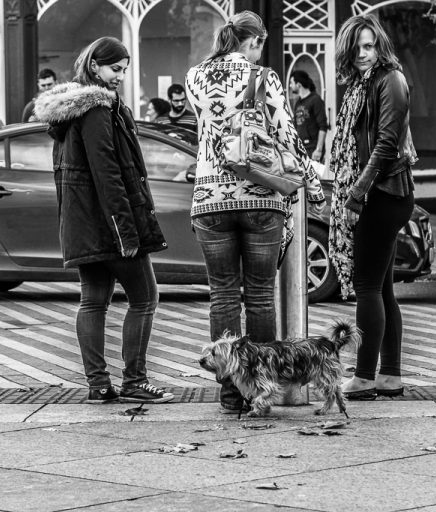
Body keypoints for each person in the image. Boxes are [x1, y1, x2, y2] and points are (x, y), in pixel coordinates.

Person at [185, 11, 326, 413]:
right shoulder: (264, 78)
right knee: (260, 296)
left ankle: (230, 394)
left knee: (223, 295)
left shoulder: (194, 77)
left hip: (210, 198)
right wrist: (313, 187)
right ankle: (260, 389)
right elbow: (288, 136)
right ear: (256, 41)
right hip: (261, 198)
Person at [33, 37, 173, 404]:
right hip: (109, 223)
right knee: (145, 298)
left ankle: (98, 385)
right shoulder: (97, 109)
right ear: (94, 66)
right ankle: (134, 381)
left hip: (83, 224)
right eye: (115, 69)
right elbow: (108, 174)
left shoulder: (69, 112)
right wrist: (125, 230)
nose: (120, 77)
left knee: (93, 301)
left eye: (125, 70)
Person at [329, 14, 417, 398]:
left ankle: (364, 376)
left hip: (382, 193)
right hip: (379, 193)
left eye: (369, 46)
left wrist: (355, 194)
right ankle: (390, 376)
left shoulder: (390, 81)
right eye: (357, 48)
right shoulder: (359, 85)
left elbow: (385, 145)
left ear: (380, 45)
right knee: (382, 288)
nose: (363, 54)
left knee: (367, 286)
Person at [289, 70, 328, 163]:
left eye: (291, 83)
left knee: (314, 177)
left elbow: (323, 127)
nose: (290, 86)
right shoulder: (298, 102)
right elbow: (295, 126)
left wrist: (319, 150)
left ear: (298, 84)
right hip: (301, 149)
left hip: (313, 150)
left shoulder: (315, 100)